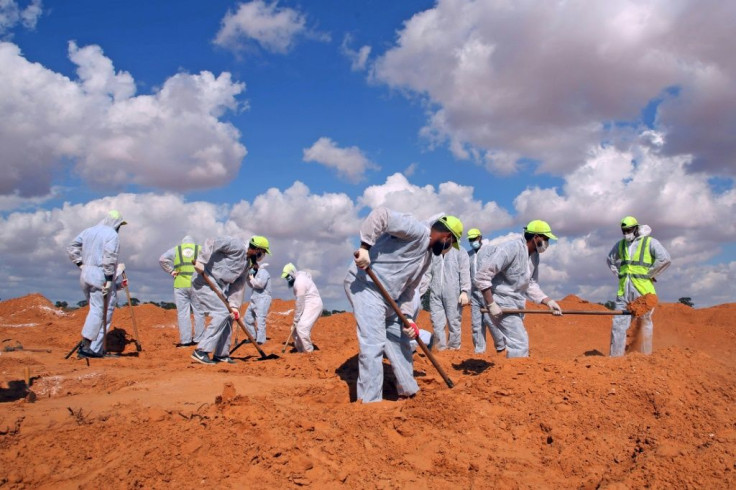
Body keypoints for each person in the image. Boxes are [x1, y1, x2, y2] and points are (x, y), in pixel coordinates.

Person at [344, 207, 463, 403]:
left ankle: (407, 392)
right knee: (373, 342)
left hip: (389, 296)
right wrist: (365, 247)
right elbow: (381, 215)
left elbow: (410, 289)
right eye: (450, 244)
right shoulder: (416, 231)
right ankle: (369, 403)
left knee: (400, 339)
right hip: (366, 285)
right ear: (447, 236)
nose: (447, 249)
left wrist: (408, 318)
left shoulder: (426, 257)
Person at [475, 220, 563, 358]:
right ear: (536, 237)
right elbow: (482, 276)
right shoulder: (511, 249)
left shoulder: (534, 257)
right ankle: (516, 377)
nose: (547, 243)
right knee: (519, 343)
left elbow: (531, 284)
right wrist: (491, 304)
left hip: (516, 304)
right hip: (500, 302)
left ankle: (512, 373)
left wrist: (548, 301)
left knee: (518, 340)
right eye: (545, 239)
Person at [190, 235, 271, 365]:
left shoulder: (246, 265)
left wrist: (234, 306)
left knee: (229, 316)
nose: (262, 256)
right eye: (263, 252)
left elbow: (238, 286)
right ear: (257, 249)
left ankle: (221, 354)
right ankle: (201, 351)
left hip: (219, 287)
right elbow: (211, 240)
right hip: (204, 281)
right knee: (222, 313)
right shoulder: (236, 245)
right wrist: (202, 260)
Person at [66, 210, 128, 358]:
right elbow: (109, 257)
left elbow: (71, 247)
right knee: (99, 311)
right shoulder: (111, 235)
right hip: (100, 274)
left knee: (95, 309)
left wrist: (80, 264)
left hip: (86, 273)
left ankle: (94, 348)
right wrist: (108, 278)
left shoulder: (88, 231)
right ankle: (87, 346)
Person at [606, 216, 671, 356]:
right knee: (618, 325)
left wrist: (651, 273)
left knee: (644, 323)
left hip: (643, 292)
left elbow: (665, 259)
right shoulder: (621, 244)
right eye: (623, 231)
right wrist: (618, 273)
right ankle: (615, 360)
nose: (626, 233)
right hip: (624, 291)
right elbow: (610, 260)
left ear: (636, 228)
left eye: (628, 230)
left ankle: (645, 358)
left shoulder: (650, 242)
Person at [424, 229, 471, 351]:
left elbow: (465, 271)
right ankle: (440, 349)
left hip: (453, 293)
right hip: (435, 292)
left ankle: (454, 348)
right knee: (437, 322)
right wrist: (422, 289)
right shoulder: (434, 252)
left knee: (454, 321)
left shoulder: (460, 251)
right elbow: (427, 272)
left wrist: (465, 291)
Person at [159, 236, 205, 347]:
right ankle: (199, 339)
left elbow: (162, 259)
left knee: (183, 313)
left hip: (180, 284)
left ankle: (185, 341)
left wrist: (171, 271)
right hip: (197, 284)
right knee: (199, 312)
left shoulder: (177, 249)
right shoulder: (200, 248)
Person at [467, 228, 505, 354]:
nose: (473, 241)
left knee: (490, 320)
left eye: (474, 239)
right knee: (476, 324)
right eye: (470, 239)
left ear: (480, 238)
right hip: (474, 294)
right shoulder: (469, 255)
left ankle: (501, 346)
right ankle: (479, 351)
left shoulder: (490, 251)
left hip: (487, 292)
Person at [281, 263, 323, 353]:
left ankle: (308, 351)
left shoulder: (299, 283)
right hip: (308, 305)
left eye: (288, 276)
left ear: (292, 273)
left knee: (302, 328)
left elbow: (300, 303)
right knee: (294, 330)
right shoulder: (300, 277)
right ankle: (300, 350)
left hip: (313, 305)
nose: (287, 279)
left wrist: (296, 320)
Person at [244, 258, 272, 345]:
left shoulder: (263, 272)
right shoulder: (255, 274)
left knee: (260, 319)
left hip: (263, 299)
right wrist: (248, 278)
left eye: (250, 268)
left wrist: (252, 278)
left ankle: (260, 340)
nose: (250, 269)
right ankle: (253, 337)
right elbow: (252, 285)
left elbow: (259, 285)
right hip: (255, 298)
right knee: (247, 318)